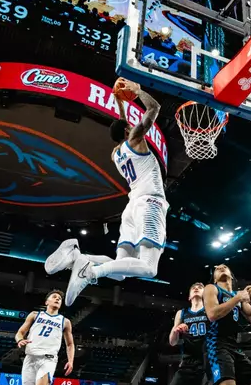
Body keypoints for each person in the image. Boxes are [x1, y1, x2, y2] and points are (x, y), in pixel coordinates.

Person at [46, 80, 167, 298]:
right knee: (150, 268)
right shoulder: (136, 139)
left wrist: (119, 102)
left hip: (131, 210)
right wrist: (137, 91)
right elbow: (154, 108)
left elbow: (121, 124)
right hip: (150, 204)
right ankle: (91, 271)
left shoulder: (116, 154)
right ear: (129, 130)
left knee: (120, 270)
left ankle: (77, 257)